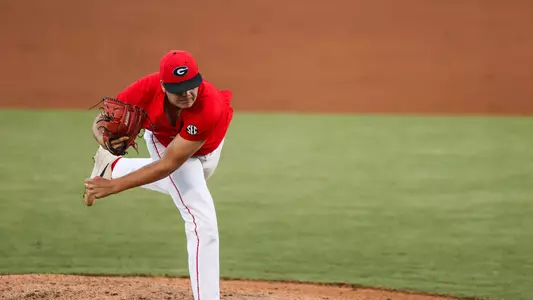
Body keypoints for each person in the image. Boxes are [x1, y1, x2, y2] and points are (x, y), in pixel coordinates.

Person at [84, 50, 234, 300]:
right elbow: (102, 119)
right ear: (163, 86)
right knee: (200, 217)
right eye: (179, 89)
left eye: (191, 86)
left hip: (206, 149)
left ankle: (113, 169)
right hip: (164, 142)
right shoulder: (143, 89)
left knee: (180, 185)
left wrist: (116, 185)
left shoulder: (209, 105)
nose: (187, 94)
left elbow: (170, 165)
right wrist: (105, 141)